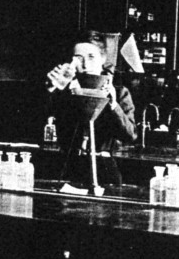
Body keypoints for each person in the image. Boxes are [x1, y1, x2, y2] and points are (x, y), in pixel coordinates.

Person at [46, 30, 137, 186]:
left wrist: (113, 105)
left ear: (103, 58)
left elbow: (130, 135)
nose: (86, 65)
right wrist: (51, 89)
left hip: (104, 171)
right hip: (69, 167)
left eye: (91, 57)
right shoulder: (64, 90)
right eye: (78, 58)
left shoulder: (120, 92)